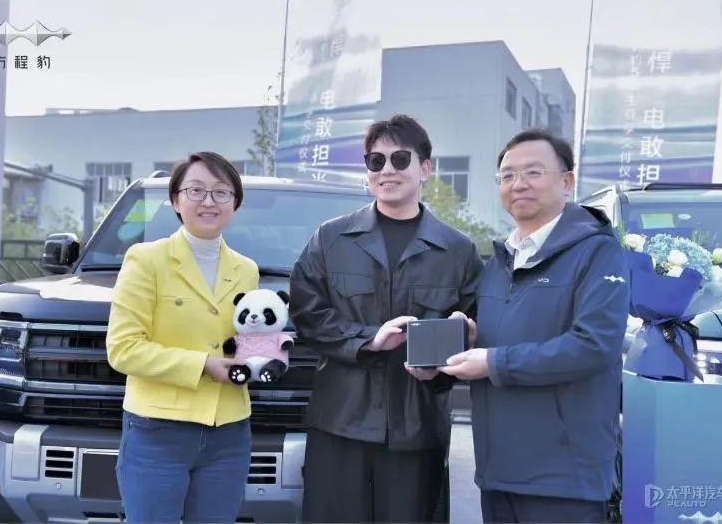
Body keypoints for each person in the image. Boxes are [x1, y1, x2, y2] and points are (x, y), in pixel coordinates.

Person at [289, 114, 482, 523]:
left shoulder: (458, 251)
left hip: (417, 427)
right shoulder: (331, 239)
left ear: (425, 168)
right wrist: (368, 339)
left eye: (400, 159)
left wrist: (452, 356)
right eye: (376, 161)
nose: (387, 170)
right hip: (340, 422)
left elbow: (475, 328)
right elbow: (307, 313)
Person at [441, 129, 629, 523]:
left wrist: (493, 362)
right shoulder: (499, 262)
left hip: (564, 479)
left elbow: (593, 346)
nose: (518, 184)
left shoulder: (598, 252)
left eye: (533, 172)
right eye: (507, 175)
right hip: (498, 472)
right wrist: (471, 338)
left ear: (567, 181)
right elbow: (509, 336)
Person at [106, 152, 259, 523]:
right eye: (196, 190)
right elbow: (123, 349)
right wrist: (203, 365)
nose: (209, 201)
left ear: (234, 203)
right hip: (158, 431)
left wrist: (264, 355)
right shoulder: (146, 259)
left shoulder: (247, 270)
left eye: (221, 192)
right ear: (176, 200)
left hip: (229, 432)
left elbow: (244, 340)